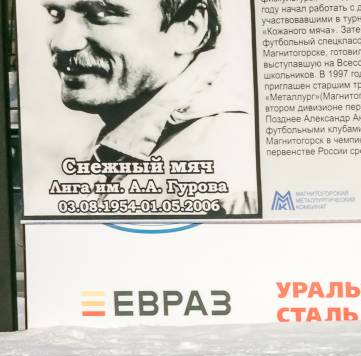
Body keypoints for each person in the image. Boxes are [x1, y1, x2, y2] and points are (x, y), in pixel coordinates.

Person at [42, 0, 258, 214]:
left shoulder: (225, 164)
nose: (62, 43)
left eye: (99, 14)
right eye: (56, 14)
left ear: (190, 27)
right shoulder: (117, 142)